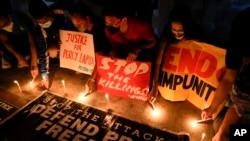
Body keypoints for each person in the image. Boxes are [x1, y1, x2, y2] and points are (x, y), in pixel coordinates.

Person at [201, 7, 250, 141]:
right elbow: (229, 79)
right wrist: (212, 109)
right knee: (219, 126)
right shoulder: (243, 26)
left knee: (238, 134)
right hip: (243, 97)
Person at [148, 5, 203, 103]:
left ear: (188, 28)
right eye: (174, 31)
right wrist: (155, 86)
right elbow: (158, 62)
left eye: (181, 31)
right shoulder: (166, 35)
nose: (177, 35)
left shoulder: (197, 33)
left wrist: (194, 42)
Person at [67, 1, 110, 93]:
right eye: (74, 24)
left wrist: (92, 79)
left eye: (78, 23)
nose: (77, 26)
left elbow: (100, 59)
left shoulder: (98, 31)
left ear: (87, 18)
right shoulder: (81, 28)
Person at [28, 0, 67, 89]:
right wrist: (44, 76)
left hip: (66, 37)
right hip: (53, 41)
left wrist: (63, 37)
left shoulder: (58, 12)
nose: (43, 24)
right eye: (40, 23)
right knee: (52, 52)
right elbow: (42, 51)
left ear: (49, 14)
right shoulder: (39, 30)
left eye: (45, 21)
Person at [0, 9, 38, 78]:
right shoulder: (1, 28)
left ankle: (29, 57)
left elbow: (32, 42)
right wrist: (18, 56)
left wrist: (34, 63)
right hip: (15, 44)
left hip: (26, 42)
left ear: (2, 16)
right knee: (10, 57)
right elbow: (5, 41)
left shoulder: (19, 19)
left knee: (34, 53)